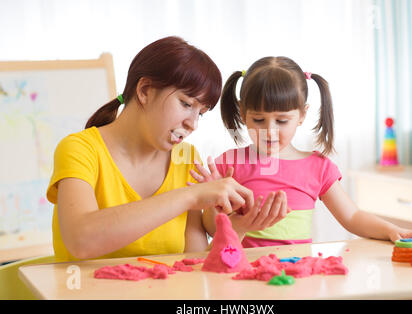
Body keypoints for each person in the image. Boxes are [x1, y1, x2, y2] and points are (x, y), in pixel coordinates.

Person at [46, 37, 287, 262]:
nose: (192, 124)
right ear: (144, 91)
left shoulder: (185, 157)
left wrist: (238, 226)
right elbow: (81, 240)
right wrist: (190, 196)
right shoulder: (79, 149)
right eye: (186, 104)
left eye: (200, 113)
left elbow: (193, 263)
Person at [190, 56, 412, 248]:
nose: (270, 131)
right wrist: (213, 201)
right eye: (259, 119)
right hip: (243, 276)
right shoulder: (228, 164)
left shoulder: (318, 167)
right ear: (242, 114)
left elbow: (352, 217)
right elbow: (212, 230)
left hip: (297, 277)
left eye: (282, 121)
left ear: (302, 115)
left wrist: (391, 230)